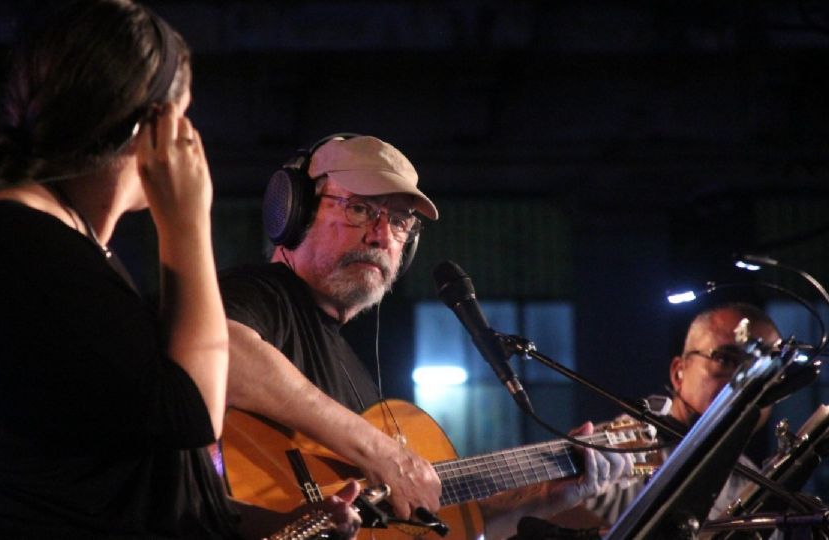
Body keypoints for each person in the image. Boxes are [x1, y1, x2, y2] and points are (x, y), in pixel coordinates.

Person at [0, 1, 359, 538]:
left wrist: (284, 524)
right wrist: (187, 222)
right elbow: (192, 411)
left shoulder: (56, 246)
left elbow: (133, 476)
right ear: (150, 124)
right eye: (183, 113)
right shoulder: (18, 246)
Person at [218, 134, 632, 539]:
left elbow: (431, 527)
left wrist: (544, 497)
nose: (381, 236)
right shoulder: (263, 292)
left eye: (399, 222)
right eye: (360, 209)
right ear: (295, 211)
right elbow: (220, 354)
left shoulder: (355, 373)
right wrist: (381, 452)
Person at [572, 303, 781, 527]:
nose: (746, 382)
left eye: (765, 373)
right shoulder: (628, 441)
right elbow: (544, 506)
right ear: (678, 372)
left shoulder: (754, 482)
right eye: (726, 360)